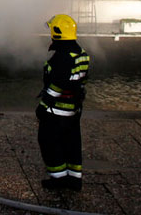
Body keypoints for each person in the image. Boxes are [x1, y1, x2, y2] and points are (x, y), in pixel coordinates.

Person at [36, 14, 90, 191]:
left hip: (56, 111)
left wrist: (44, 106)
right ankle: (74, 179)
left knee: (49, 143)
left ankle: (58, 179)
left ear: (57, 33)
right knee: (72, 143)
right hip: (74, 111)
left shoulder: (62, 57)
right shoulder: (81, 54)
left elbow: (57, 85)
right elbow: (80, 81)